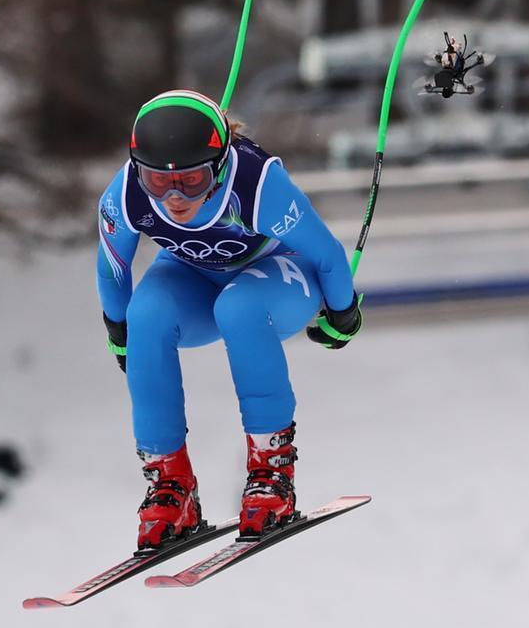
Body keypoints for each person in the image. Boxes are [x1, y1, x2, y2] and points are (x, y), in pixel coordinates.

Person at [96, 89, 363, 549]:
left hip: (276, 276)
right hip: (194, 275)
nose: (175, 196)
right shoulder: (125, 193)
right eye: (158, 182)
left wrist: (342, 312)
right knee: (147, 313)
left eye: (193, 180)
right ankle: (170, 485)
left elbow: (327, 253)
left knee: (238, 308)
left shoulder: (255, 184)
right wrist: (122, 335)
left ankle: (271, 474)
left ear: (218, 165)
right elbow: (111, 267)